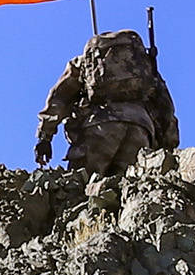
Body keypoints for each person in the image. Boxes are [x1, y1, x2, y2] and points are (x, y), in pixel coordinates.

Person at [33, 29, 177, 176]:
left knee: (80, 188)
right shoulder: (146, 68)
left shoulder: (84, 64)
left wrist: (45, 136)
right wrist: (169, 150)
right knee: (127, 190)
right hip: (141, 130)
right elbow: (166, 108)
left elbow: (59, 98)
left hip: (99, 126)